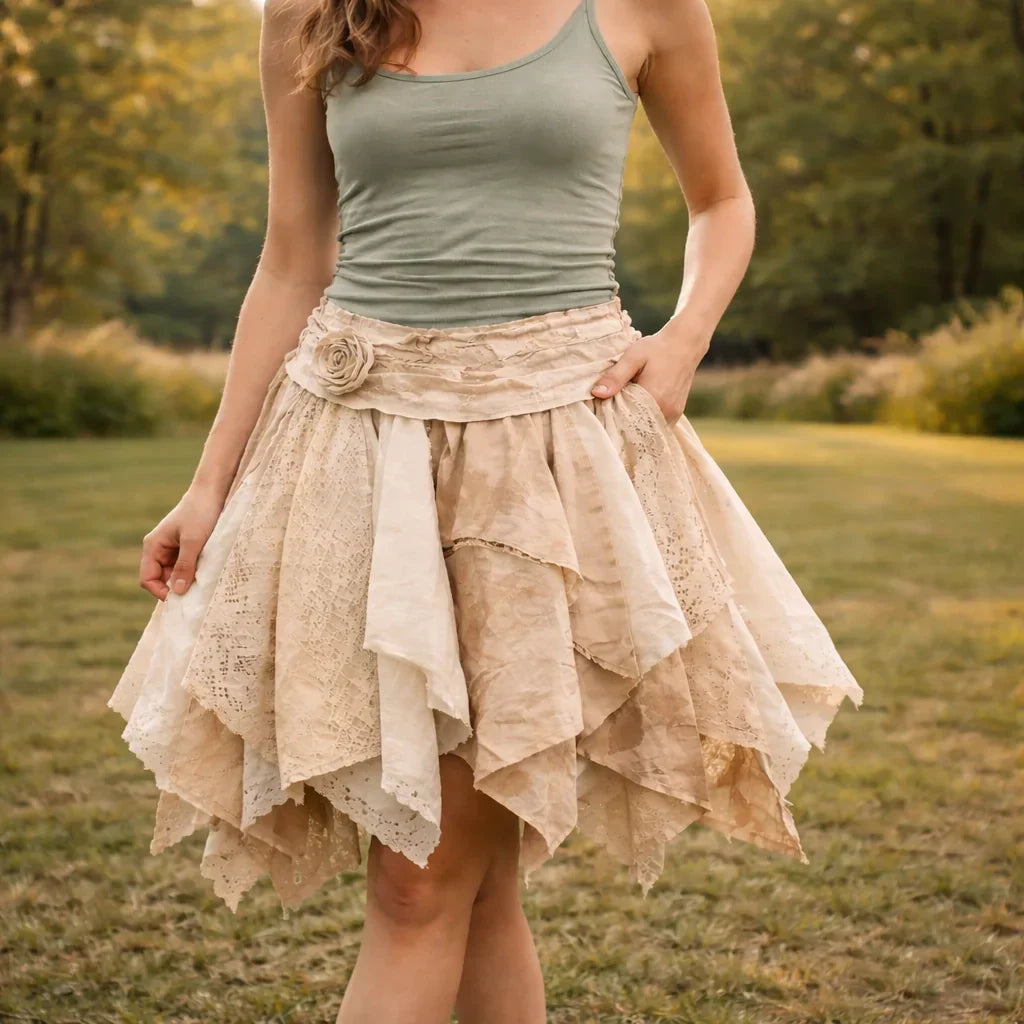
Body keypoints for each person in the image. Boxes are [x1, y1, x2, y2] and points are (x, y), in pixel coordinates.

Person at [107, 1, 864, 1021]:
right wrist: (208, 485)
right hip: (357, 453)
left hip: (548, 459)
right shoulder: (310, 11)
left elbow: (721, 200)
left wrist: (684, 339)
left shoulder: (643, 6)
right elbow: (291, 259)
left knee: (424, 880)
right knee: (463, 879)